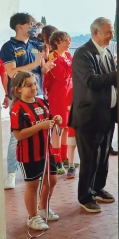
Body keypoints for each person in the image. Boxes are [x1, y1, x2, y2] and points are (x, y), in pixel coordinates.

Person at [1, 13, 56, 189]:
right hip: (19, 97)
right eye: (30, 24)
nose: (34, 27)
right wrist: (35, 64)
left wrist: (45, 67)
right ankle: (11, 173)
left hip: (38, 95)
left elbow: (40, 70)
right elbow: (12, 73)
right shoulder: (8, 47)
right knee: (16, 135)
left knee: (40, 132)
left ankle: (39, 170)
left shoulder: (35, 45)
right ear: (20, 26)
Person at [68, 17, 117, 212]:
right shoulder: (83, 54)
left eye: (112, 32)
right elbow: (92, 81)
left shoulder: (106, 52)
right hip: (89, 117)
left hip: (107, 115)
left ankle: (98, 188)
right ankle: (85, 196)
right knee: (90, 158)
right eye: (108, 32)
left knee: (103, 156)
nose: (111, 36)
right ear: (95, 33)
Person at [10, 71, 61, 230]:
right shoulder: (17, 108)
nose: (33, 88)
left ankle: (43, 209)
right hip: (29, 154)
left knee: (51, 180)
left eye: (34, 83)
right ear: (19, 89)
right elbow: (18, 135)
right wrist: (40, 126)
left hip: (46, 150)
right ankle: (32, 217)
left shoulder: (41, 102)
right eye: (28, 85)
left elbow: (48, 118)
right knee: (32, 185)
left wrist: (56, 119)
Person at [45, 31, 73, 175]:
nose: (69, 44)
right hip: (57, 95)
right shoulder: (52, 56)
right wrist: (71, 68)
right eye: (65, 41)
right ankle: (57, 160)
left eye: (69, 41)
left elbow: (73, 74)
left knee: (67, 127)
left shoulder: (68, 55)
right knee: (58, 127)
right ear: (56, 42)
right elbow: (62, 76)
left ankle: (65, 156)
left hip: (68, 94)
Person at [66, 87, 77, 179]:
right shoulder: (72, 91)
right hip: (75, 122)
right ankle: (71, 165)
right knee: (72, 144)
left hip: (87, 123)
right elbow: (69, 107)